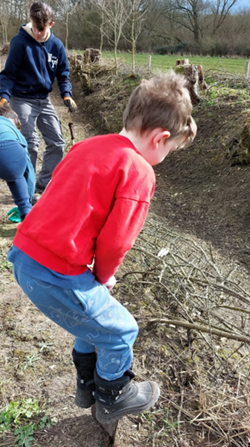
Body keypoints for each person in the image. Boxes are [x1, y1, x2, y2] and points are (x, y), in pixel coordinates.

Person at [7, 72, 196, 424]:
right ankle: (113, 395)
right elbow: (116, 241)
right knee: (122, 330)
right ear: (160, 138)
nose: (165, 157)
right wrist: (104, 277)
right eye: (169, 150)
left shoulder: (88, 146)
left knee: (91, 324)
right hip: (56, 272)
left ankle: (85, 385)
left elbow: (59, 198)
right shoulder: (138, 170)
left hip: (25, 255)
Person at [0, 1, 76, 195]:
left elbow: (63, 74)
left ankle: (42, 184)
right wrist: (3, 96)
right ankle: (26, 188)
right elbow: (8, 74)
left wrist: (66, 94)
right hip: (22, 98)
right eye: (34, 28)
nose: (37, 33)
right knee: (30, 142)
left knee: (57, 142)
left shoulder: (56, 46)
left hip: (44, 98)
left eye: (41, 29)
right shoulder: (20, 42)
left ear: (51, 24)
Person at [0, 104, 35, 222]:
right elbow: (28, 171)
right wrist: (28, 200)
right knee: (16, 177)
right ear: (13, 121)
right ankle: (25, 213)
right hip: (10, 151)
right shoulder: (15, 132)